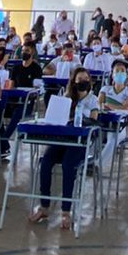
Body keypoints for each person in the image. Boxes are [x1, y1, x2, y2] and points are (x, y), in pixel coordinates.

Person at [30, 68, 99, 228]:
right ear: (74, 82)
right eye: (80, 79)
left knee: (68, 165)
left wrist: (78, 119)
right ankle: (44, 206)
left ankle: (66, 211)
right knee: (46, 162)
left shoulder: (92, 99)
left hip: (80, 142)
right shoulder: (66, 98)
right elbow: (56, 117)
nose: (83, 81)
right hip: (62, 139)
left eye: (86, 78)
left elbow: (94, 119)